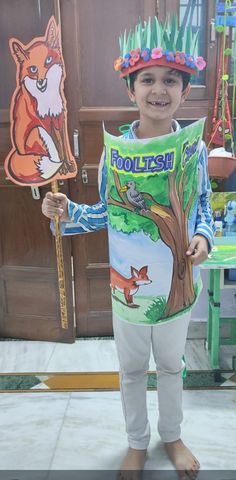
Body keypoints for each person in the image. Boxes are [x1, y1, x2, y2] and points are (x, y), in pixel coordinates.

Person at [42, 16, 214, 479]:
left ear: (183, 88)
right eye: (148, 80)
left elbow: (203, 209)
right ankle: (137, 443)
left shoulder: (193, 150)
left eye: (170, 80)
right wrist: (68, 212)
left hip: (177, 288)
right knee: (133, 370)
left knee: (172, 369)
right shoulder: (115, 153)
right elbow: (105, 213)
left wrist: (201, 237)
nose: (159, 89)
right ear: (131, 89)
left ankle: (172, 436)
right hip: (129, 293)